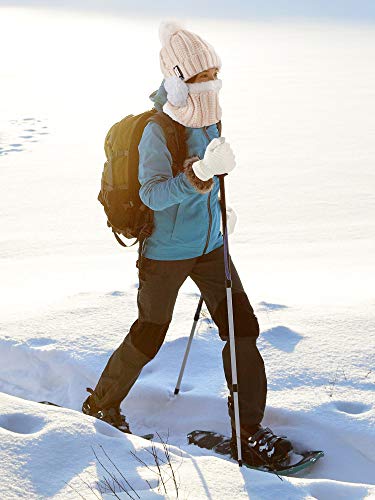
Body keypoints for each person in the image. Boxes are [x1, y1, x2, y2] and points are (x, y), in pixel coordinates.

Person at [82, 21, 292, 467]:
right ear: (177, 81)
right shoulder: (158, 130)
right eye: (199, 79)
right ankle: (101, 403)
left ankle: (249, 429)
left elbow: (211, 174)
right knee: (150, 333)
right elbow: (152, 193)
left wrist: (218, 214)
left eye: (213, 75)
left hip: (212, 246)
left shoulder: (210, 112)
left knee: (243, 330)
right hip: (165, 254)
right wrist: (198, 174)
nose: (209, 85)